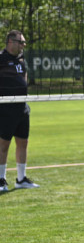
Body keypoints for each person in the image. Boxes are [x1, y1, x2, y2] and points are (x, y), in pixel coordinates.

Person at [0, 30, 39, 192]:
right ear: (11, 42)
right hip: (5, 107)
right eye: (21, 42)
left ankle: (21, 179)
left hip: (22, 107)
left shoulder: (22, 59)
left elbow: (25, 77)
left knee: (23, 142)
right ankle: (1, 180)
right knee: (3, 145)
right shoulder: (1, 58)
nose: (23, 45)